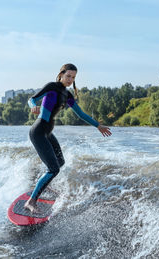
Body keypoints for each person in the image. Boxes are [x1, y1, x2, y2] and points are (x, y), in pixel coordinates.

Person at [24, 63, 112, 213]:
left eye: (73, 77)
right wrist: (33, 106)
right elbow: (32, 99)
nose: (70, 79)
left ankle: (43, 185)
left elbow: (81, 114)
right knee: (53, 169)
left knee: (60, 162)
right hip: (38, 131)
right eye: (68, 76)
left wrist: (98, 126)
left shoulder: (67, 95)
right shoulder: (52, 86)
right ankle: (31, 201)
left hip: (48, 133)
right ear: (61, 75)